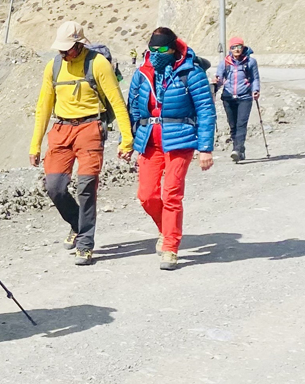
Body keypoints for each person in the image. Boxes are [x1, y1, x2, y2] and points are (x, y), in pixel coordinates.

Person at [28, 21, 134, 265]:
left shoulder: (98, 64)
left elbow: (117, 102)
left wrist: (126, 140)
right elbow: (43, 107)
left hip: (90, 129)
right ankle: (77, 224)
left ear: (79, 44)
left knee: (86, 187)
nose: (63, 54)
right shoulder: (52, 67)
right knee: (55, 187)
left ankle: (85, 243)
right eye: (60, 50)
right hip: (61, 129)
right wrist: (35, 145)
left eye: (67, 49)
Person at [127, 27, 216, 270]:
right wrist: (129, 140)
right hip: (149, 141)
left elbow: (206, 111)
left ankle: (171, 247)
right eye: (152, 49)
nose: (156, 54)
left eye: (162, 49)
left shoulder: (192, 72)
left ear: (174, 47)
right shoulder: (142, 73)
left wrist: (205, 148)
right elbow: (133, 107)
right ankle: (165, 229)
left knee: (172, 194)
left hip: (180, 140)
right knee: (146, 196)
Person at [213, 36, 260, 163]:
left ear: (243, 47)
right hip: (228, 98)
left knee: (241, 124)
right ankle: (240, 149)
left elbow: (255, 78)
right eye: (234, 47)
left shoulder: (250, 62)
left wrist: (255, 90)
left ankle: (237, 149)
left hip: (245, 97)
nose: (237, 49)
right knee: (232, 125)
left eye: (239, 47)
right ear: (230, 49)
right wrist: (215, 85)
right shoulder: (225, 62)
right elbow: (219, 78)